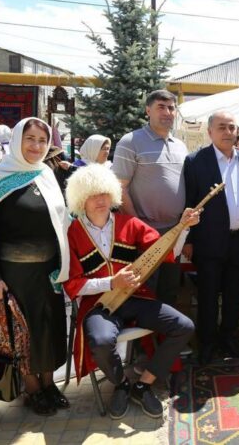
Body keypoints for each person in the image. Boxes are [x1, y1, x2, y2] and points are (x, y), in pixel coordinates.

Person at [63, 165, 197, 419]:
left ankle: (143, 385)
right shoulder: (73, 233)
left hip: (136, 298)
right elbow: (73, 284)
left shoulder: (130, 223)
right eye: (92, 195)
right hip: (98, 306)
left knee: (184, 326)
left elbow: (166, 252)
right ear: (81, 199)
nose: (100, 200)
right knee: (101, 341)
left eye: (104, 193)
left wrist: (184, 227)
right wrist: (111, 282)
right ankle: (122, 384)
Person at [0, 117, 70, 416]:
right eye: (30, 139)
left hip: (49, 272)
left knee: (49, 328)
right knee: (22, 333)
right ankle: (32, 388)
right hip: (14, 274)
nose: (36, 146)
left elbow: (60, 221)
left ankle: (48, 383)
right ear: (17, 140)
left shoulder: (46, 173)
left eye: (42, 141)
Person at [183, 111, 239, 365]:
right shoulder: (196, 161)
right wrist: (188, 239)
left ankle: (228, 337)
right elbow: (189, 200)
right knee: (208, 296)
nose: (227, 132)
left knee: (234, 294)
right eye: (221, 127)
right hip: (208, 241)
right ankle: (208, 343)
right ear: (210, 131)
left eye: (232, 127)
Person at [112, 89, 188, 307]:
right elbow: (119, 188)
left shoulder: (180, 145)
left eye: (171, 108)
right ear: (148, 110)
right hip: (145, 232)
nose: (167, 112)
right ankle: (143, 331)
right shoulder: (131, 141)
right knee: (145, 291)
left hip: (174, 232)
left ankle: (166, 329)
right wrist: (139, 226)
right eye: (161, 107)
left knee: (168, 290)